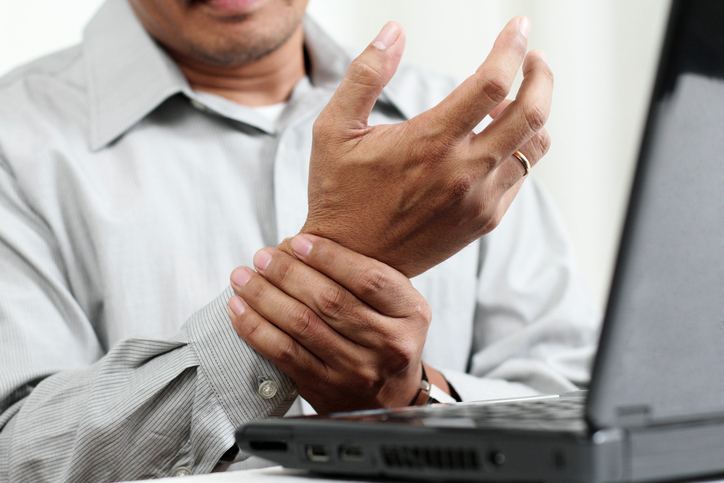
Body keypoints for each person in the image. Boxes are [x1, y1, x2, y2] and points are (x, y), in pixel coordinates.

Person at [0, 0, 600, 480]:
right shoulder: (13, 142)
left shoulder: (464, 139)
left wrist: (416, 401)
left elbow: (582, 401)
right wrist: (348, 261)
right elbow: (15, 451)